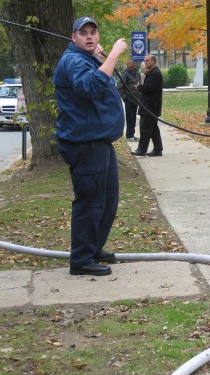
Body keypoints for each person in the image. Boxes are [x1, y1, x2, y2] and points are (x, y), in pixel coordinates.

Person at [53, 16, 128, 276]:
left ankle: (94, 248)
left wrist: (100, 59)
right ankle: (82, 259)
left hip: (100, 141)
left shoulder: (86, 59)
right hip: (84, 143)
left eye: (93, 32)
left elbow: (101, 83)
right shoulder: (73, 60)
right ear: (73, 37)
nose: (89, 36)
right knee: (91, 202)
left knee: (108, 200)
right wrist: (113, 56)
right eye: (83, 33)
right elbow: (90, 87)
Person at [131, 54, 163, 157]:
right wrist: (143, 76)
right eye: (145, 61)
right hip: (148, 105)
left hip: (150, 106)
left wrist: (139, 87)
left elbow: (148, 88)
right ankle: (158, 149)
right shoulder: (150, 73)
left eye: (148, 61)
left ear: (153, 61)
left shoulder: (156, 73)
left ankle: (141, 150)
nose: (146, 63)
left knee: (145, 128)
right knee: (153, 129)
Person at [116, 59, 141, 141]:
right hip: (129, 99)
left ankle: (132, 135)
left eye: (132, 64)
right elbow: (119, 86)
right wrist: (125, 98)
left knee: (133, 117)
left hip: (136, 99)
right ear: (127, 65)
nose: (130, 65)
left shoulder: (137, 73)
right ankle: (129, 136)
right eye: (129, 64)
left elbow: (139, 84)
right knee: (129, 118)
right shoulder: (124, 75)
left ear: (134, 65)